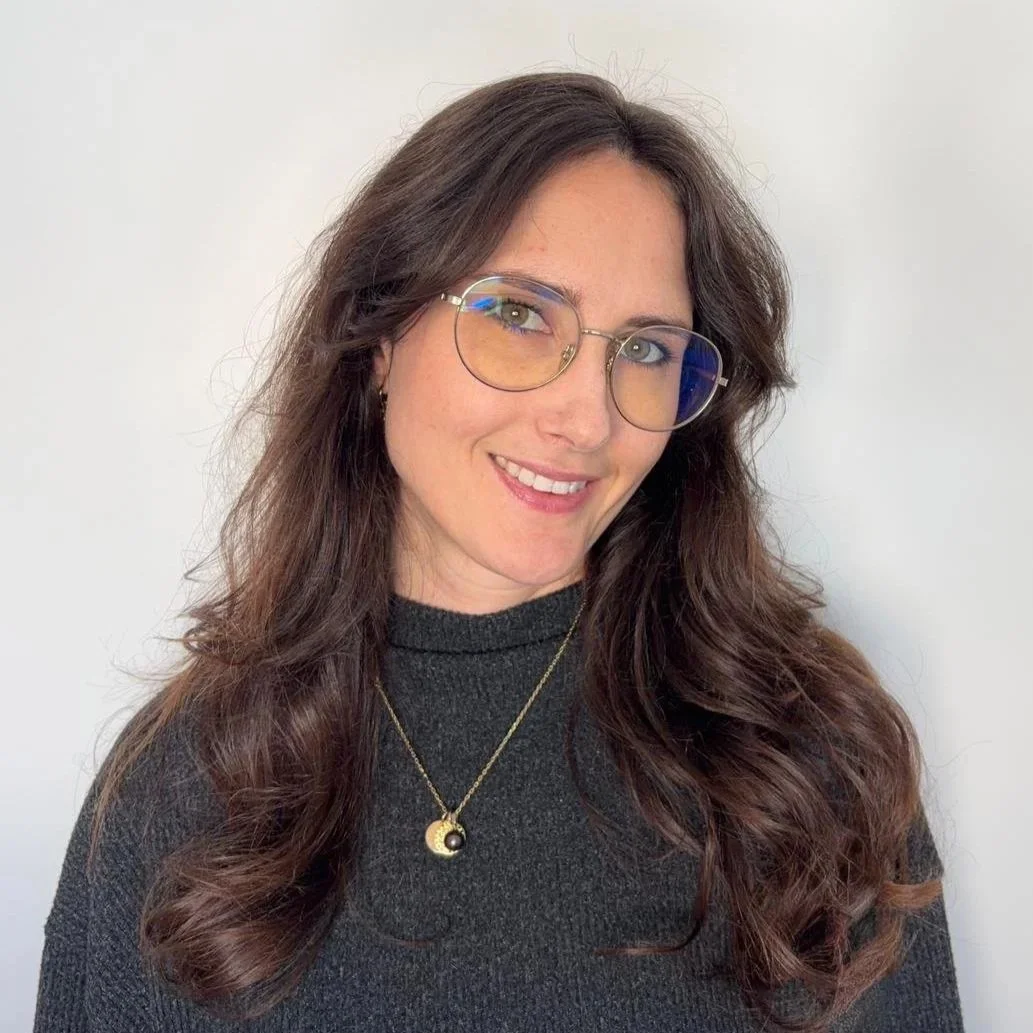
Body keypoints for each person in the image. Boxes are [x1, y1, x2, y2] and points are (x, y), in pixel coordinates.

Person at [33, 70, 966, 1032]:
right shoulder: (186, 778)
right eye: (520, 315)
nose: (586, 416)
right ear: (379, 335)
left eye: (646, 350)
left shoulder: (805, 764)